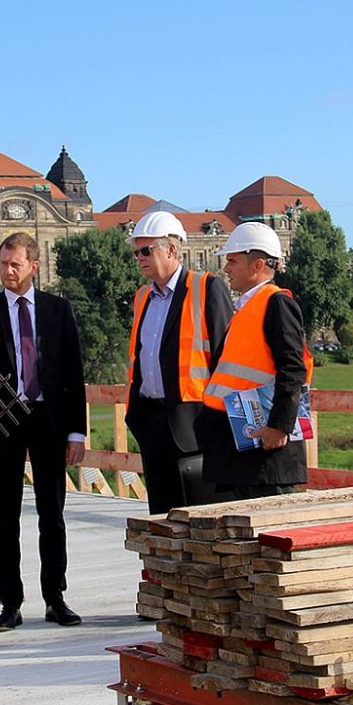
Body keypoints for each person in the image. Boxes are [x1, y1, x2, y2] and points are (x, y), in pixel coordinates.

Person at [0, 232, 87, 633]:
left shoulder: (58, 310)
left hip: (49, 421)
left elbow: (74, 375)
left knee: (52, 515)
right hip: (3, 422)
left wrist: (77, 432)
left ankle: (55, 598)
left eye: (15, 264)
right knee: (5, 517)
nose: (7, 271)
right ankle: (10, 603)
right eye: (3, 263)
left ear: (34, 266)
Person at [124, 211, 233, 514]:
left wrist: (218, 426)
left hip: (195, 427)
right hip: (152, 422)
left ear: (172, 250)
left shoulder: (208, 288)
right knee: (162, 519)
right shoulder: (142, 297)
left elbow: (225, 361)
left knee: (201, 521)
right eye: (137, 251)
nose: (139, 257)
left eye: (146, 250)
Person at [195, 223, 313, 501]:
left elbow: (293, 369)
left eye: (232, 261)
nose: (226, 268)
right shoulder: (249, 306)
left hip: (264, 451)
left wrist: (279, 426)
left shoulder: (275, 303)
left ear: (258, 264)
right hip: (241, 448)